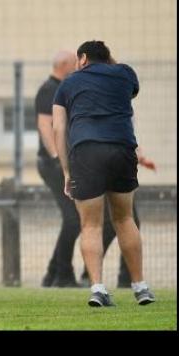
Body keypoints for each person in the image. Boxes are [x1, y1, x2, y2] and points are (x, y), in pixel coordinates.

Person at [52, 40, 156, 307]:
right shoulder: (125, 74)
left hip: (86, 151)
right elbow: (128, 92)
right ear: (108, 57)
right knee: (124, 218)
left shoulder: (67, 83)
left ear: (82, 58)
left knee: (91, 225)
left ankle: (97, 288)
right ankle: (141, 287)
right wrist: (109, 60)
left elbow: (58, 129)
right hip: (122, 149)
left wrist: (66, 170)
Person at [37, 51, 134, 288]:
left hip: (79, 161)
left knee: (89, 220)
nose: (80, 68)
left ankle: (57, 274)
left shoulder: (75, 86)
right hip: (56, 163)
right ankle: (62, 274)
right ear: (65, 65)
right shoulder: (51, 89)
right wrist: (56, 158)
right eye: (75, 64)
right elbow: (47, 125)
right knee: (74, 220)